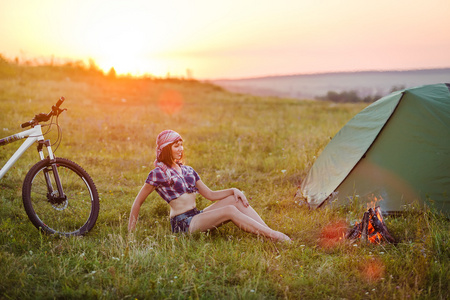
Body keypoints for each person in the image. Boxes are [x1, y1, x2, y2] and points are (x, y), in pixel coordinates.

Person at [128, 130, 291, 242]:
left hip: (196, 215)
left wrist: (234, 190)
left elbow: (210, 195)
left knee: (235, 200)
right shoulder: (158, 173)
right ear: (165, 148)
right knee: (230, 211)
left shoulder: (188, 170)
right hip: (182, 224)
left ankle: (268, 232)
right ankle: (274, 235)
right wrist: (130, 234)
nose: (180, 149)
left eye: (181, 144)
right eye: (176, 145)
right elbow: (137, 203)